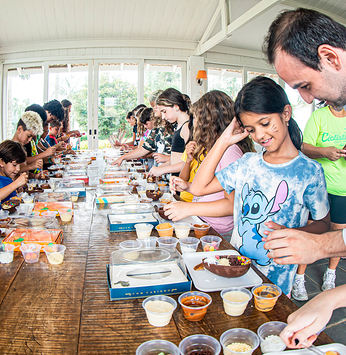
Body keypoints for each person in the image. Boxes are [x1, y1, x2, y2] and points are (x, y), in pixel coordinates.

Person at [189, 77, 330, 296]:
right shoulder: (247, 163)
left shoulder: (309, 171)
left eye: (265, 123)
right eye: (251, 129)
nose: (260, 135)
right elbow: (197, 188)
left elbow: (323, 224)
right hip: (234, 267)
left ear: (286, 113)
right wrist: (225, 140)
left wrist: (293, 232)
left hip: (277, 278)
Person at [164, 90, 254, 239]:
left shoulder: (230, 151)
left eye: (197, 119)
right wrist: (187, 186)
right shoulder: (216, 149)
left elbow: (231, 204)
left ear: (208, 122)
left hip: (218, 231)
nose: (195, 124)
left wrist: (188, 208)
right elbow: (211, 187)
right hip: (205, 222)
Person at [291, 105, 346, 301]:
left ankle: (330, 275)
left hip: (343, 189)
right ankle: (299, 278)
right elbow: (304, 147)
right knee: (310, 230)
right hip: (319, 186)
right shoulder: (319, 116)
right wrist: (325, 152)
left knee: (338, 233)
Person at [148, 88, 191, 177]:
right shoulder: (179, 125)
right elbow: (176, 158)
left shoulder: (187, 127)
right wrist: (159, 169)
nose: (163, 117)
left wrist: (162, 170)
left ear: (176, 107)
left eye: (164, 111)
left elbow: (190, 162)